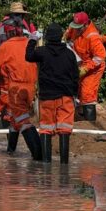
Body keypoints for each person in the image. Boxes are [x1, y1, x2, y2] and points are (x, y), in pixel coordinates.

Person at [0, 17, 41, 160]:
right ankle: (11, 150)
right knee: (14, 120)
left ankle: (38, 156)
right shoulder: (29, 43)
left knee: (23, 122)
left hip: (16, 89)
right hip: (30, 88)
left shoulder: (6, 46)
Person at [26, 23, 79, 164]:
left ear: (47, 37)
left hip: (47, 97)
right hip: (66, 97)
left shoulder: (42, 52)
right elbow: (75, 77)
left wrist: (32, 40)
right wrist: (75, 95)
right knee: (64, 130)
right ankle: (64, 166)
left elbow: (28, 56)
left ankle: (46, 165)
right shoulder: (69, 54)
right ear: (61, 36)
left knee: (46, 129)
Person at [65, 12, 106, 121]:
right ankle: (80, 115)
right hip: (80, 62)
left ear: (85, 25)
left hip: (94, 67)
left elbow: (100, 56)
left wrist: (86, 68)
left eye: (79, 28)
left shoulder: (92, 37)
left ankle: (89, 121)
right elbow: (67, 35)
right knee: (76, 89)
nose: (76, 30)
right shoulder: (75, 27)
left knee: (87, 93)